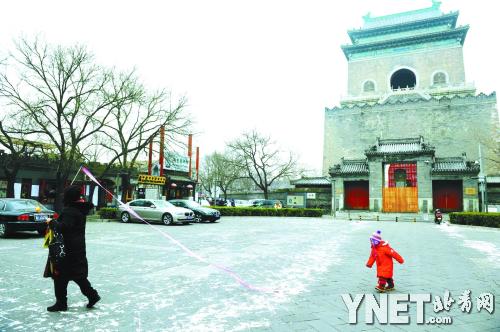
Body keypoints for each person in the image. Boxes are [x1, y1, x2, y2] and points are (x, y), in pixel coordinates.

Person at [45, 185, 100, 312]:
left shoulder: (70, 211)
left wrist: (52, 222)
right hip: (78, 248)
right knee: (78, 276)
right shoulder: (80, 209)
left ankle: (61, 303)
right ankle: (93, 295)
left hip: (67, 249)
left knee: (59, 277)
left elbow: (65, 227)